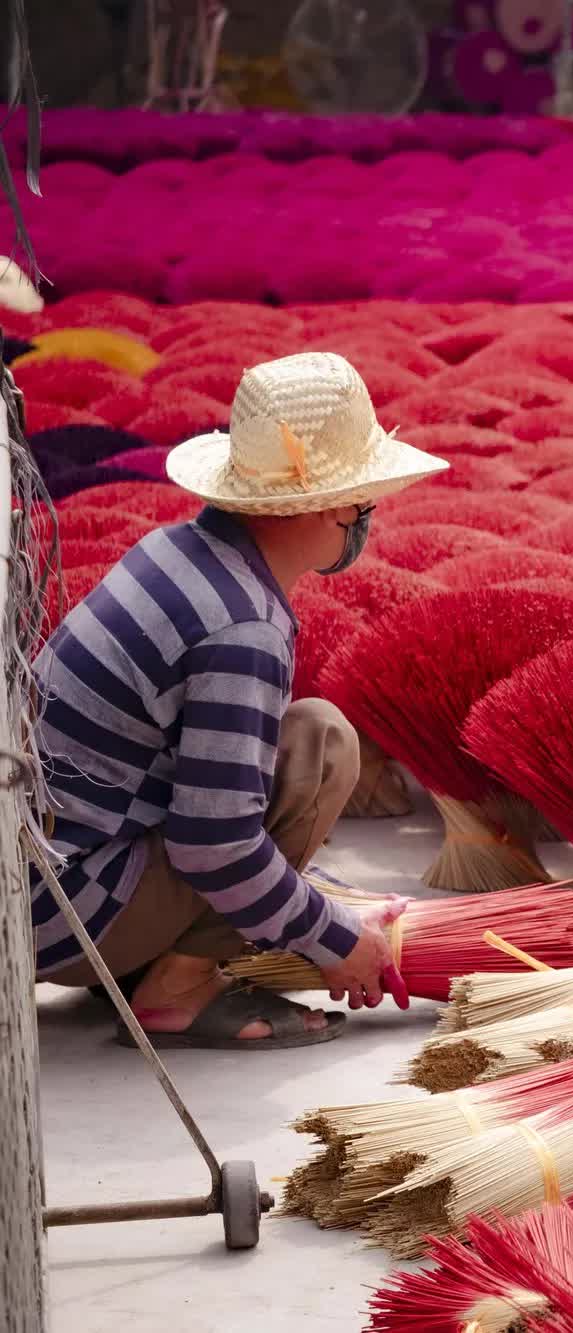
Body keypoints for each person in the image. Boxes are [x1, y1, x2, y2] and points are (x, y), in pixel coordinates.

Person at [31, 351, 447, 1049]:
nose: (363, 518)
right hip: (66, 915)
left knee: (304, 734)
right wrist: (335, 937)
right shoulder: (242, 624)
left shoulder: (177, 549)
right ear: (332, 505)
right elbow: (214, 843)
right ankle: (178, 987)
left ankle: (147, 963)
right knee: (323, 746)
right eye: (361, 499)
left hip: (42, 885)